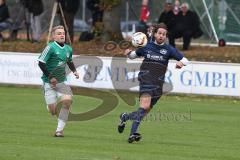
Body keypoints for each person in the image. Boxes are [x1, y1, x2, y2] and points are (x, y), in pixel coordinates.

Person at [117, 23, 189, 143]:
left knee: (145, 111)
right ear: (155, 34)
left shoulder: (168, 49)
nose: (161, 36)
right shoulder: (146, 46)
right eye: (159, 33)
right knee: (144, 106)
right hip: (146, 79)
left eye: (164, 34)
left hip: (158, 83)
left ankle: (125, 117)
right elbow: (132, 56)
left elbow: (185, 60)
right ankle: (132, 134)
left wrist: (181, 63)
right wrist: (128, 53)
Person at [38, 25, 79, 137]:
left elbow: (69, 61)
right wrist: (50, 77)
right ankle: (50, 107)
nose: (62, 35)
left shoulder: (68, 49)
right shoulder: (50, 47)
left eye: (63, 33)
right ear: (54, 37)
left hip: (62, 82)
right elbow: (41, 62)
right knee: (53, 111)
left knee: (67, 101)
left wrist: (74, 71)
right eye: (59, 33)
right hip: (48, 83)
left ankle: (59, 131)